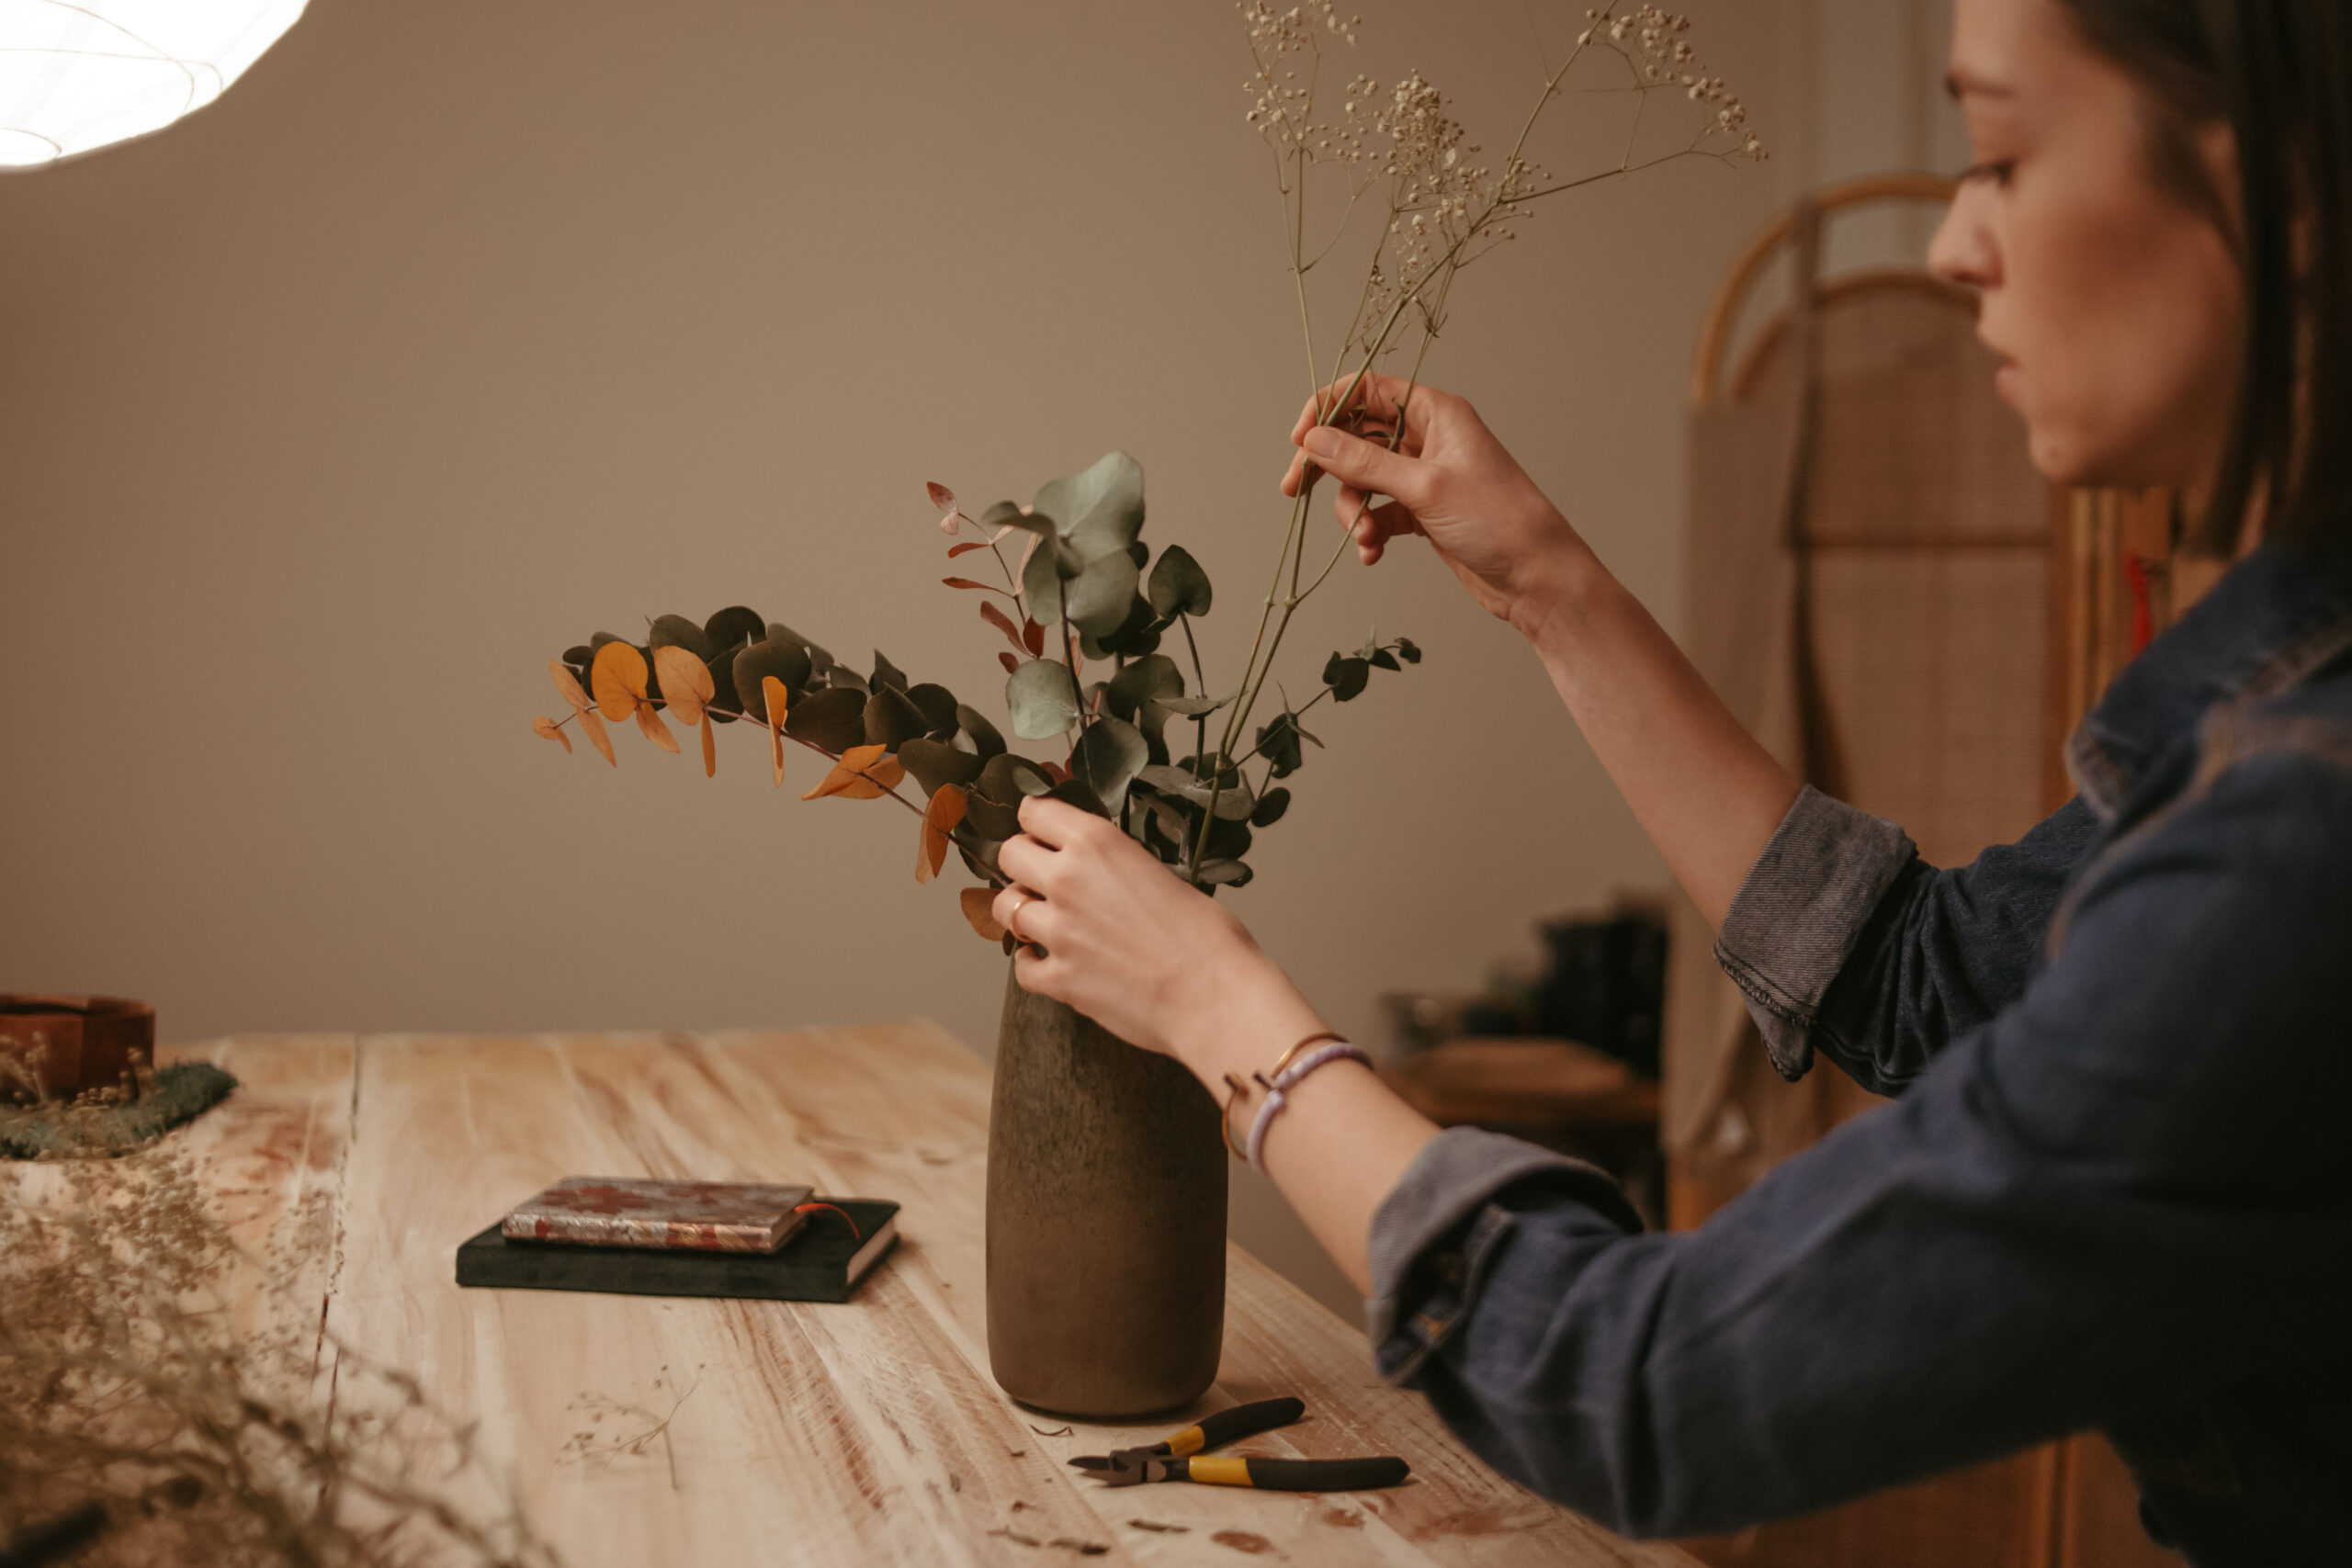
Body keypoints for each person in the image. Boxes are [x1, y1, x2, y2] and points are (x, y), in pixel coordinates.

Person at [989, 0, 2352, 1560]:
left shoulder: (2302, 836)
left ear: (2286, 192)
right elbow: (1925, 976)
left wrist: (1221, 1011)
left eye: (1999, 155)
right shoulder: (2274, 715)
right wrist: (1550, 586)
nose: (1954, 246)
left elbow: (1651, 1391)